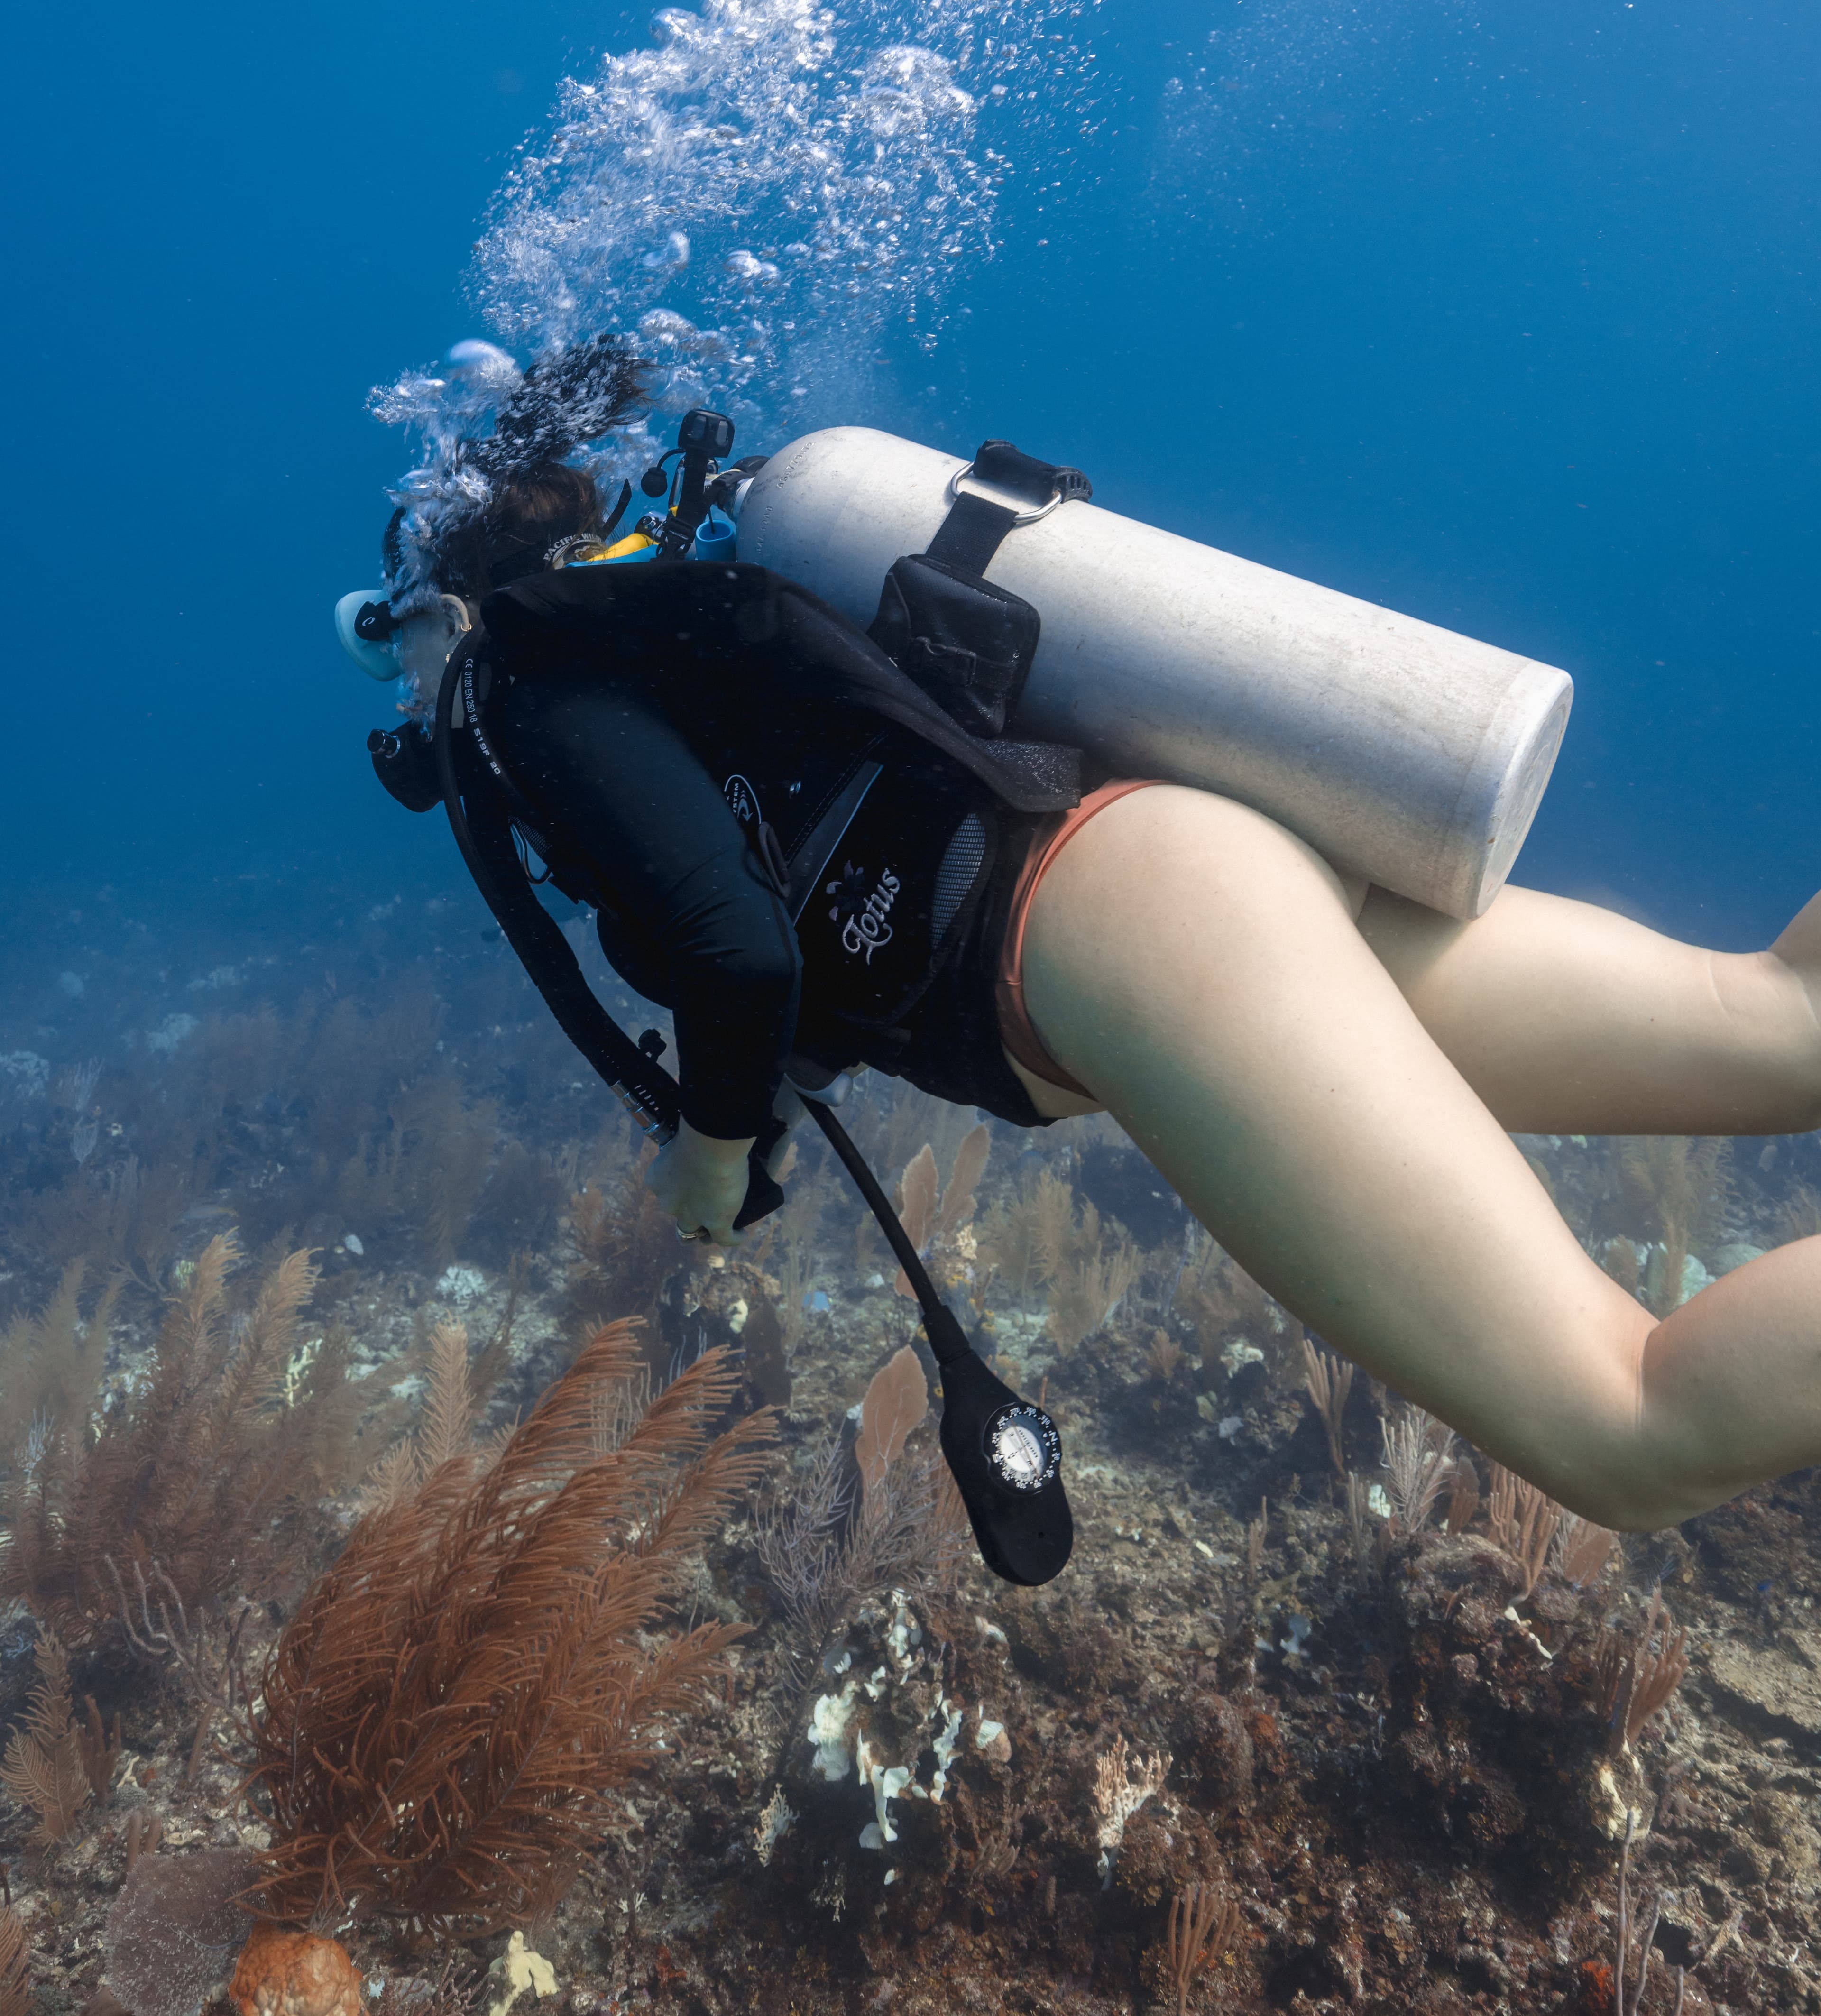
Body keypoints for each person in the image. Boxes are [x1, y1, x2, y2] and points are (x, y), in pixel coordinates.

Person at [363, 348, 1821, 1540]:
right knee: (1777, 1023)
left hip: (1132, 944)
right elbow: (794, 904)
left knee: (1636, 1426)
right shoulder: (671, 604)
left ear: (447, 601)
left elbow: (739, 954)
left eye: (404, 643)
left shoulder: (522, 687)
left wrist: (713, 1144)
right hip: (1179, 848)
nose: (412, 686)